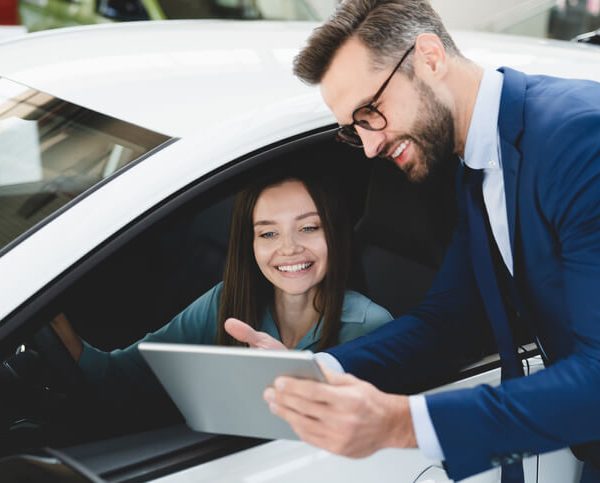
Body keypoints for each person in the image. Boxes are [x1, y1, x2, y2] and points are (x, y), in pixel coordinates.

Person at [225, 1, 600, 482]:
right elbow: (454, 320)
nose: (369, 145)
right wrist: (316, 373)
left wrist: (401, 424)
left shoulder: (581, 140)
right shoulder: (478, 162)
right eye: (352, 129)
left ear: (429, 57)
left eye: (370, 112)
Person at [51, 170, 392, 408]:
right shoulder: (225, 302)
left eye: (308, 227)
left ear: (334, 232)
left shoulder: (372, 326)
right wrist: (51, 319)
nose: (289, 248)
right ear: (251, 243)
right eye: (268, 233)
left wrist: (300, 380)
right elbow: (121, 376)